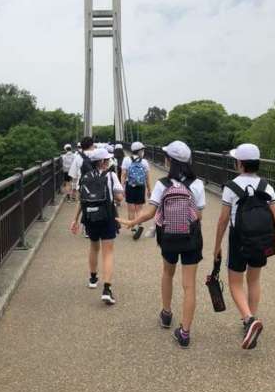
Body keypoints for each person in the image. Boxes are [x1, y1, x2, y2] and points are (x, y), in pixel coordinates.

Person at [118, 141, 205, 348]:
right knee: (189, 284)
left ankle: (166, 314)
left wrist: (132, 222)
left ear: (169, 161)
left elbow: (150, 212)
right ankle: (185, 333)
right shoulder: (197, 184)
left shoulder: (162, 184)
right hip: (191, 238)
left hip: (168, 237)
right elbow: (199, 215)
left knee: (168, 273)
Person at [213, 143, 275, 350]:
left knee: (235, 283)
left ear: (240, 163)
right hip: (261, 241)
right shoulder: (266, 186)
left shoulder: (231, 186)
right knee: (254, 280)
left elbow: (223, 220)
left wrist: (217, 246)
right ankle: (250, 321)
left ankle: (249, 319)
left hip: (238, 240)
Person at [70, 147, 124, 305]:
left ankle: (93, 279)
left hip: (90, 217)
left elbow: (81, 200)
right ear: (102, 161)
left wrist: (75, 219)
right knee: (108, 252)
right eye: (107, 159)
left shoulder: (85, 177)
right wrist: (116, 196)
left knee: (94, 247)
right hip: (107, 216)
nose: (108, 161)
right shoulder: (111, 175)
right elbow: (119, 197)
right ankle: (107, 289)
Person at [121, 141, 151, 240]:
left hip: (130, 186)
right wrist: (149, 190)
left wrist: (122, 188)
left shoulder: (126, 160)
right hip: (141, 187)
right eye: (142, 150)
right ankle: (140, 225)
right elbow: (147, 178)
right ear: (139, 151)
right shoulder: (144, 162)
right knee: (139, 209)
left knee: (131, 209)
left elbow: (123, 175)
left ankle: (133, 228)